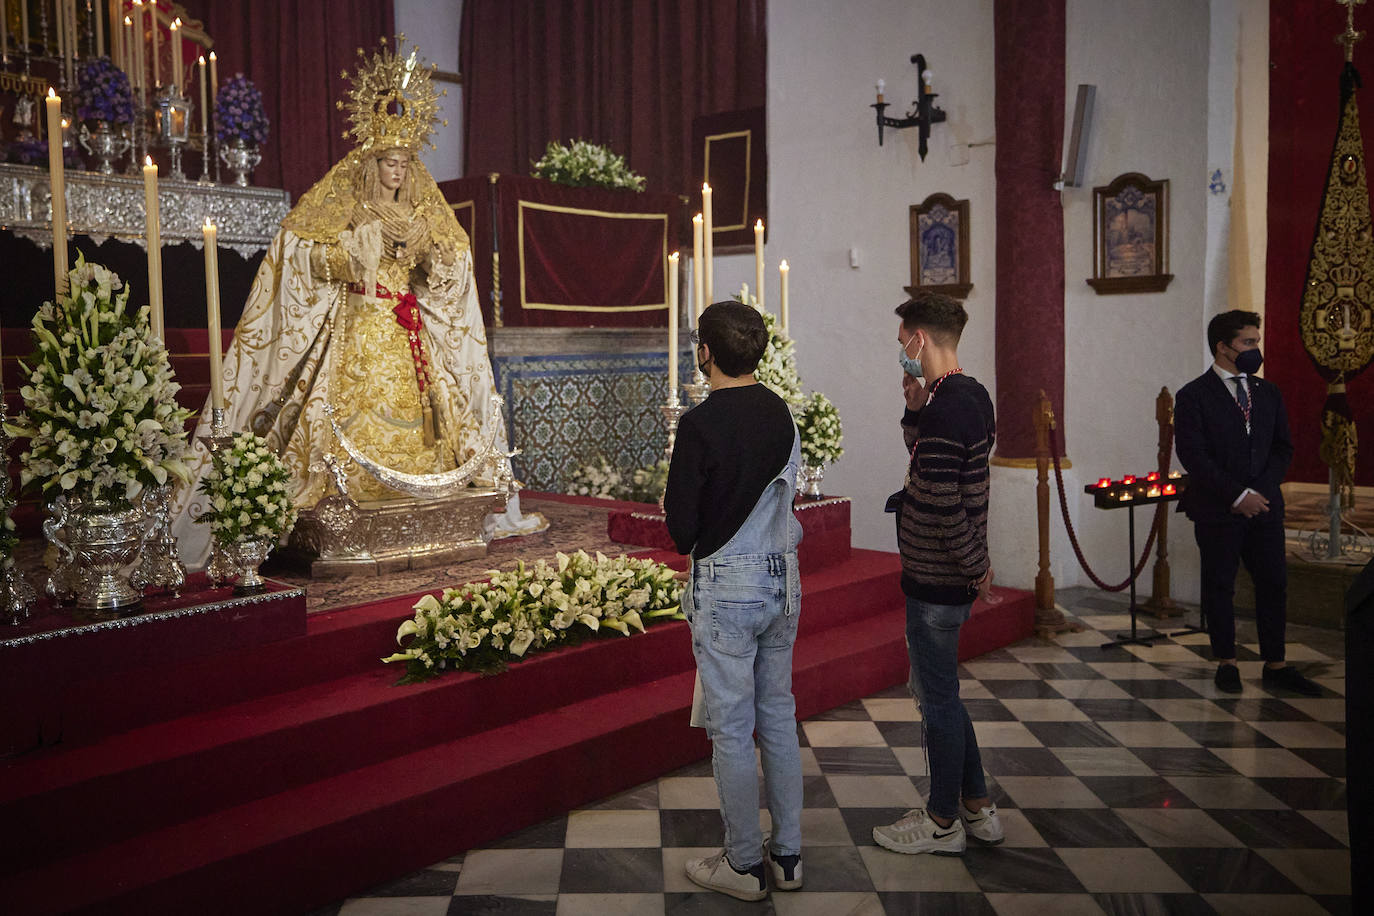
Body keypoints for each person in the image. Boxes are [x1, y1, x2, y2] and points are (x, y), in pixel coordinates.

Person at [172, 41, 542, 564]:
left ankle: (423, 495)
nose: (398, 172)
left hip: (407, 328)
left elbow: (452, 269)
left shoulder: (422, 215)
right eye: (389, 162)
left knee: (430, 419)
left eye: (405, 163)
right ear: (372, 165)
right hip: (361, 324)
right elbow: (303, 254)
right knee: (352, 410)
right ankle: (343, 495)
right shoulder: (349, 208)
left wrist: (428, 257)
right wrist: (351, 252)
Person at [663, 301, 804, 901]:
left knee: (732, 727)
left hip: (729, 587)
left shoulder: (698, 425)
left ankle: (744, 863)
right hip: (783, 580)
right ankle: (789, 855)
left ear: (706, 353)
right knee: (777, 713)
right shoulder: (784, 414)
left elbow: (681, 530)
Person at [873, 292, 1003, 857]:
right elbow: (934, 463)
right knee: (943, 692)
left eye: (904, 340)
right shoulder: (964, 394)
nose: (901, 350)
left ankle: (942, 820)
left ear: (919, 339)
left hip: (938, 578)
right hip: (949, 573)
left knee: (937, 701)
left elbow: (941, 502)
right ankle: (977, 806)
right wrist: (913, 409)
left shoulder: (950, 407)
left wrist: (977, 566)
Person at [1173, 310, 1320, 696]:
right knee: (1219, 585)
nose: (1256, 349)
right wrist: (1237, 495)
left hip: (1266, 507)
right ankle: (1227, 662)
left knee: (1274, 583)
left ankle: (1277, 663)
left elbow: (1282, 447)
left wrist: (1261, 492)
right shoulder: (1193, 396)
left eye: (1257, 341)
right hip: (1218, 508)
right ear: (1223, 347)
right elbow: (1194, 454)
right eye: (1248, 342)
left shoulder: (1268, 392)